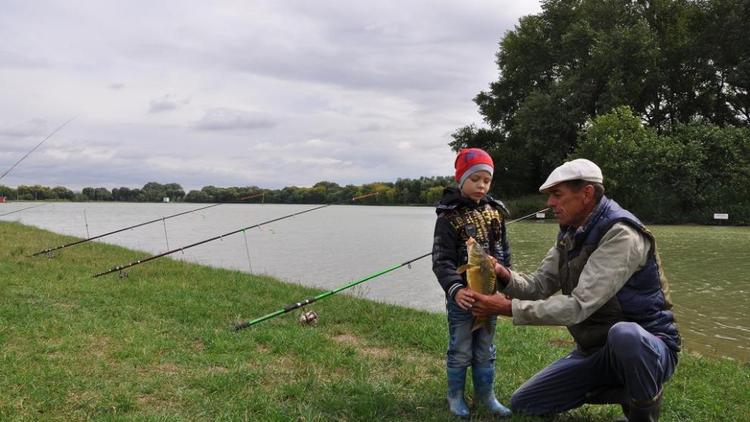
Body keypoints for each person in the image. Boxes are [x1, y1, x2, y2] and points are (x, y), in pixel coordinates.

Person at [465, 158, 680, 421]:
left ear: (587, 193)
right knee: (526, 403)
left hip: (650, 347)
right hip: (595, 350)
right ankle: (625, 389)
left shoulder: (622, 235)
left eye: (557, 195)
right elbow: (539, 285)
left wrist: (506, 307)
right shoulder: (569, 233)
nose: (550, 203)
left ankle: (643, 407)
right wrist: (503, 275)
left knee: (626, 336)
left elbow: (578, 306)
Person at [432, 148, 512, 418]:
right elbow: (441, 261)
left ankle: (486, 396)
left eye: (486, 180)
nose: (481, 185)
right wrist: (455, 290)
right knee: (460, 347)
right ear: (460, 179)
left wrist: (506, 284)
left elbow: (504, 253)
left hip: (489, 296)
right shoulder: (447, 217)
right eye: (475, 178)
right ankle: (455, 396)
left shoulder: (496, 212)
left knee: (486, 348)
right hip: (463, 299)